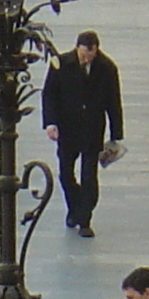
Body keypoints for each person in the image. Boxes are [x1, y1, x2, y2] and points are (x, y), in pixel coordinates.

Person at [42, 30, 124, 236]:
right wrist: (50, 123)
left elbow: (114, 102)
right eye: (84, 54)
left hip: (92, 129)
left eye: (91, 54)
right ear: (77, 48)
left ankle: (84, 219)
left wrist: (116, 134)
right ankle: (75, 207)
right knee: (65, 174)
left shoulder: (107, 68)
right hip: (68, 129)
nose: (87, 58)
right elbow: (49, 94)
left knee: (89, 176)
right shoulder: (60, 64)